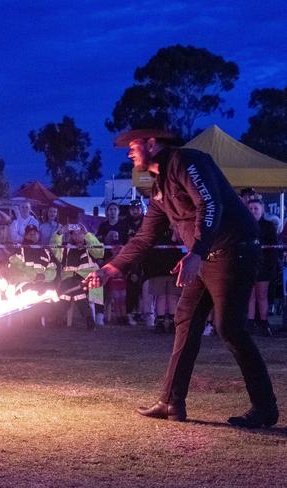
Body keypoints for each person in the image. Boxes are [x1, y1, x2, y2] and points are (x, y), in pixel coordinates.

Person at [84, 128, 279, 428]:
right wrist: (110, 269)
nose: (129, 153)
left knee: (229, 328)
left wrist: (196, 252)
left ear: (153, 143)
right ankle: (172, 401)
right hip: (205, 257)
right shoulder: (159, 186)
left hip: (233, 251)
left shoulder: (187, 162)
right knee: (186, 321)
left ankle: (265, 408)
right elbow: (144, 237)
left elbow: (210, 204)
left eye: (134, 146)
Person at [247, 199, 277, 337]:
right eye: (251, 208)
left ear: (262, 209)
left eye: (256, 208)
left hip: (264, 265)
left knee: (262, 295)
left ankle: (264, 323)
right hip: (248, 265)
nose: (253, 211)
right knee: (250, 296)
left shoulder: (269, 226)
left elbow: (273, 246)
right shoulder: (244, 224)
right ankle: (250, 323)